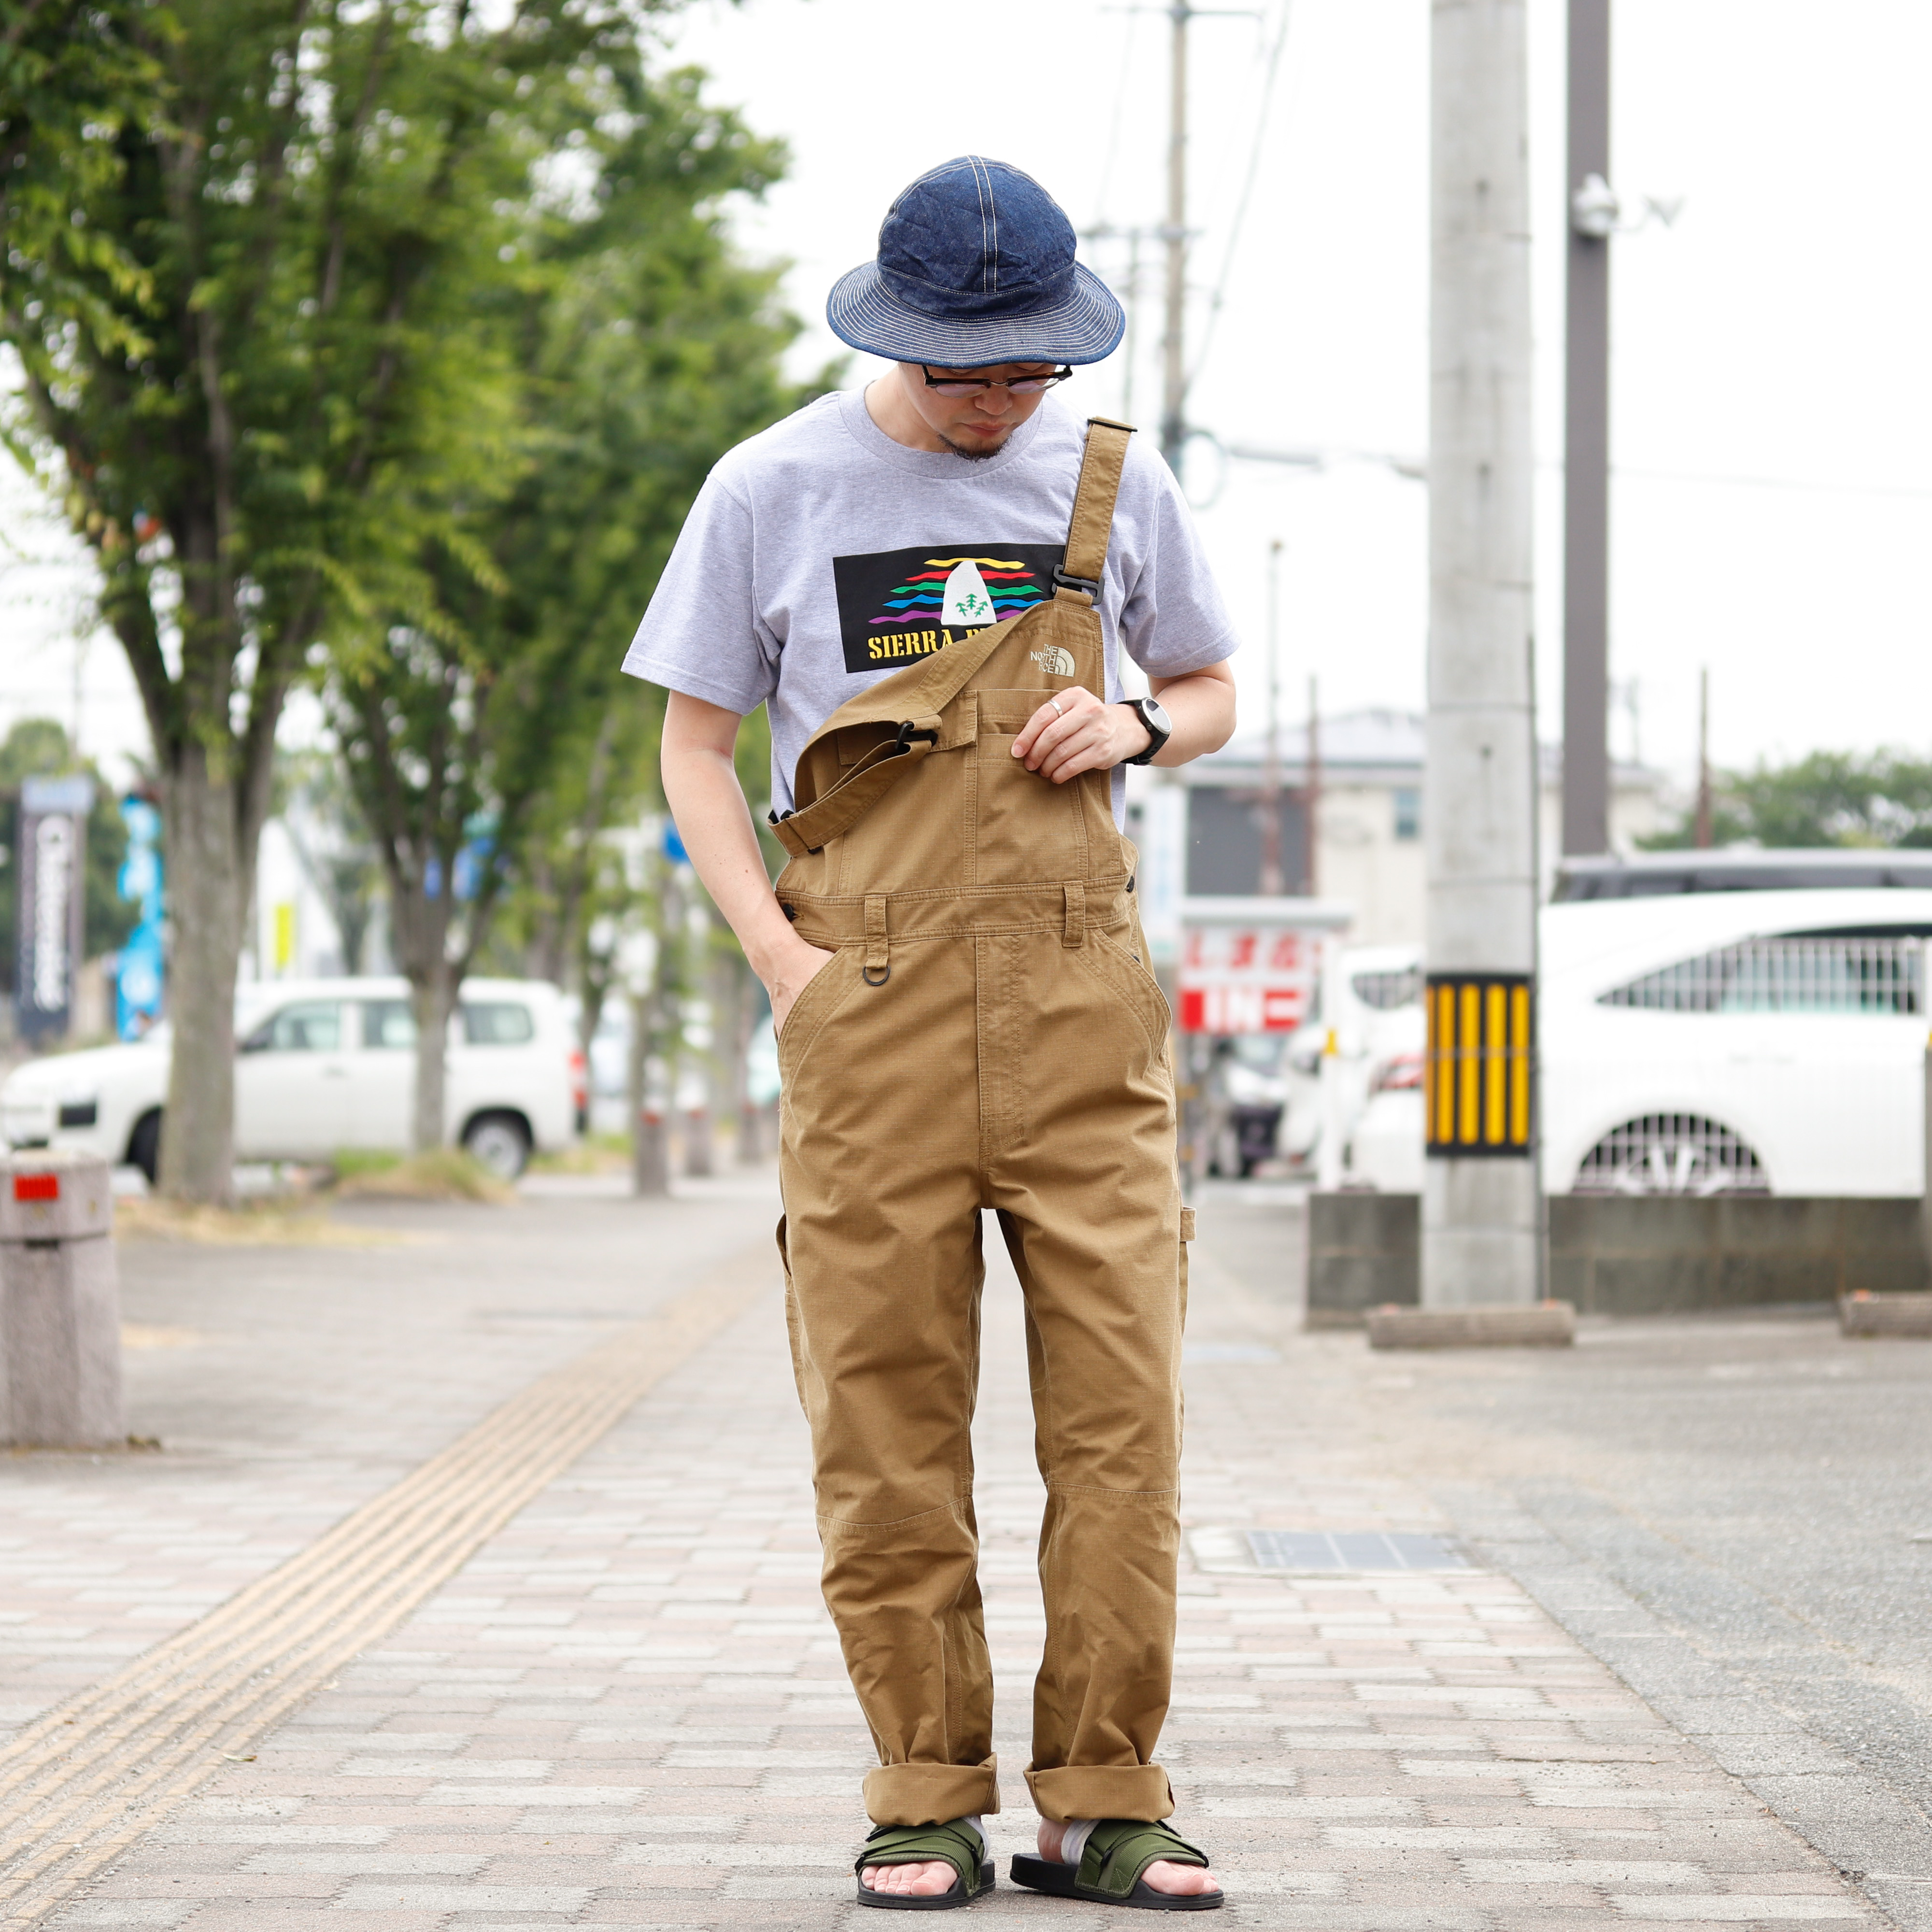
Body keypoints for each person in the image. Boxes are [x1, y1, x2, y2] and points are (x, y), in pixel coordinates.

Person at [626, 155, 1238, 1912]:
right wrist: (780, 964)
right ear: (899, 336)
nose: (1003, 403)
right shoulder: (772, 485)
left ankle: (1105, 1796)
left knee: (1123, 1419)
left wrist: (1136, 733)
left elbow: (1207, 688)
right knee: (886, 1421)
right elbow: (694, 750)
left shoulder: (1114, 477)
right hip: (865, 1002)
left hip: (1080, 1008)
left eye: (1032, 370)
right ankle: (923, 1792)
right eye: (973, 372)